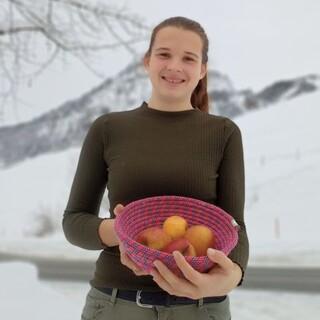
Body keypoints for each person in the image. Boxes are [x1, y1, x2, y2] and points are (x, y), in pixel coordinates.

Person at [62, 16, 249, 320]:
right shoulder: (109, 128)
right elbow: (74, 222)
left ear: (201, 70)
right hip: (115, 305)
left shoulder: (224, 133)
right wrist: (121, 232)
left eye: (188, 58)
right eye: (164, 54)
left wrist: (229, 277)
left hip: (200, 308)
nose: (174, 66)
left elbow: (234, 225)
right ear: (146, 61)